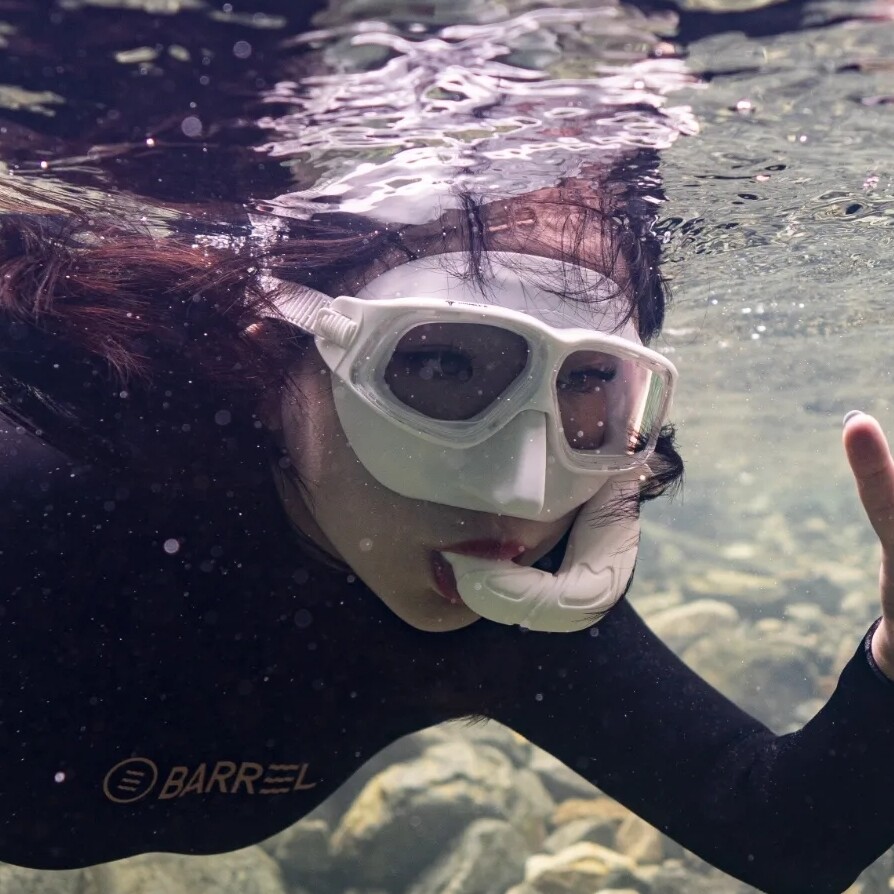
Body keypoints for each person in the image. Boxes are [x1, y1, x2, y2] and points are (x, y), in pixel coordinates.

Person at [2, 4, 894, 894]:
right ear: (274, 362)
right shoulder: (42, 507)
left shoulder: (513, 623)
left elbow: (786, 834)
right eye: (439, 366)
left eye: (589, 383)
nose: (521, 491)